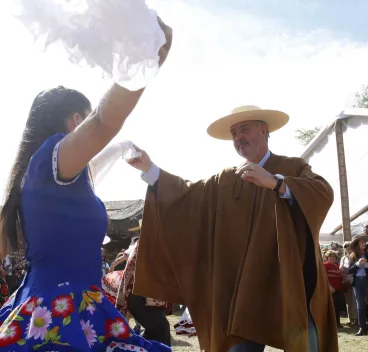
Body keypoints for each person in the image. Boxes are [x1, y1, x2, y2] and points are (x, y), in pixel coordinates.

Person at [0, 18, 173, 351]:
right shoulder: (52, 157)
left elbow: (102, 147)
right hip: (59, 313)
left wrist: (126, 152)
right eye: (85, 120)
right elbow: (105, 122)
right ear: (76, 121)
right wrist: (147, 60)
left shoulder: (45, 177)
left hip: (68, 306)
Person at [129, 105, 337, 352]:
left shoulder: (292, 167)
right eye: (234, 133)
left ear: (264, 129)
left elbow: (322, 192)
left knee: (305, 342)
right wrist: (150, 170)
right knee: (240, 346)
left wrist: (277, 183)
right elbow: (186, 194)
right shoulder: (226, 179)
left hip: (289, 281)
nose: (238, 137)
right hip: (244, 288)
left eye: (244, 129)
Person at [348, 234, 368, 337]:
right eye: (361, 242)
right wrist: (358, 264)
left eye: (364, 241)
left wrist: (366, 265)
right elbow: (350, 270)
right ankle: (362, 327)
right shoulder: (352, 256)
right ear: (357, 244)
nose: (364, 243)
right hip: (357, 282)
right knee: (360, 305)